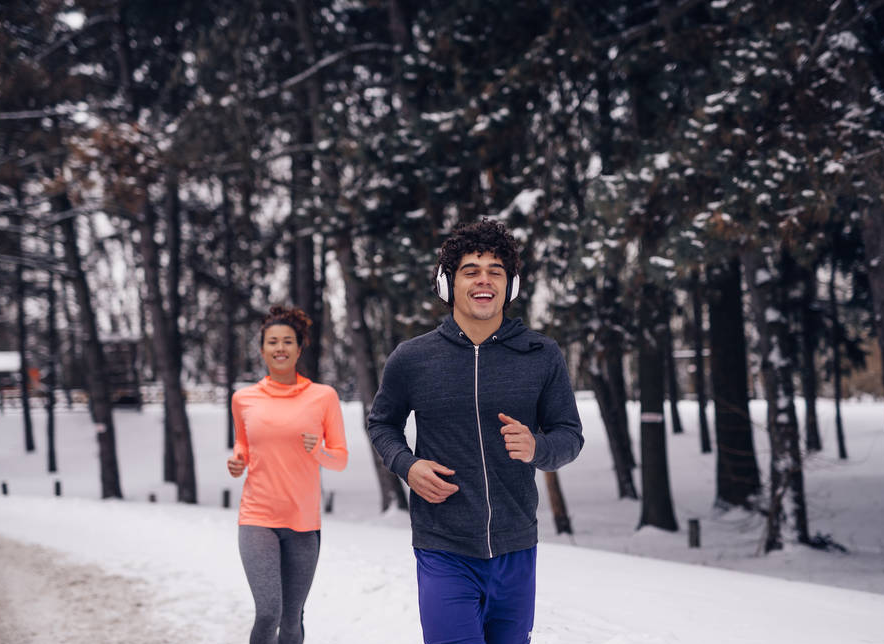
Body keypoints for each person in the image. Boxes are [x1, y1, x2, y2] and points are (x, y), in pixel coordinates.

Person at [367, 219, 584, 644]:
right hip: (443, 547)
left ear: (511, 285)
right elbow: (382, 423)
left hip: (516, 548)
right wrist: (407, 466)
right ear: (448, 284)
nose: (484, 280)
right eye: (471, 270)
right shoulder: (412, 358)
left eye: (495, 271)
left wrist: (537, 447)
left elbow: (570, 436)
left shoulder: (541, 355)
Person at [227, 305, 348, 644]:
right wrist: (238, 460)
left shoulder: (323, 397)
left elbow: (340, 459)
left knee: (292, 619)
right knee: (268, 612)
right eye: (272, 342)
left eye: (287, 342)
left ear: (299, 347)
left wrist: (318, 451)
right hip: (257, 516)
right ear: (262, 348)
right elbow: (243, 444)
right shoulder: (244, 399)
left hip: (303, 521)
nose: (280, 348)